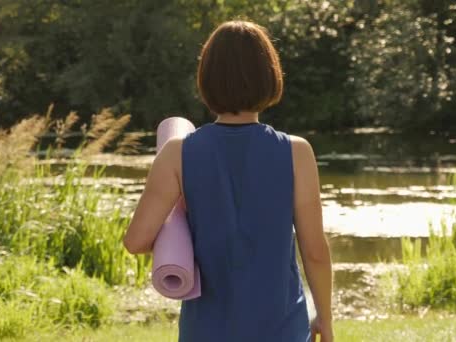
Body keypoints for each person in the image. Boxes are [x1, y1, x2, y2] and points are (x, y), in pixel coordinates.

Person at [123, 20, 333, 342]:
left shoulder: (176, 153)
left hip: (206, 331)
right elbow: (315, 251)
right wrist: (325, 318)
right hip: (282, 328)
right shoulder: (296, 152)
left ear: (206, 80)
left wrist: (177, 223)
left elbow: (136, 242)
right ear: (270, 76)